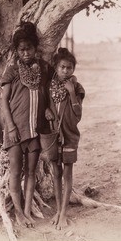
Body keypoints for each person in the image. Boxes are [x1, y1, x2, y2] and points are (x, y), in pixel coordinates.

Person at [1, 21, 53, 227]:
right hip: (16, 130)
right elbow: (4, 100)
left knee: (31, 172)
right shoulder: (12, 71)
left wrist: (48, 107)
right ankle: (18, 214)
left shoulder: (43, 69)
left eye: (29, 48)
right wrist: (11, 127)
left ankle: (27, 209)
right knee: (16, 171)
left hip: (35, 130)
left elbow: (47, 92)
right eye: (21, 49)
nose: (25, 53)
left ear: (35, 48)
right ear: (16, 50)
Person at [45, 47, 85, 230]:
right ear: (56, 67)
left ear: (73, 69)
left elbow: (78, 115)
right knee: (56, 173)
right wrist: (46, 110)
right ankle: (58, 209)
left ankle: (63, 213)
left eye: (69, 68)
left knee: (67, 174)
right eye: (62, 67)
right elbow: (45, 107)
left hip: (69, 136)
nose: (66, 71)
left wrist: (71, 93)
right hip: (54, 135)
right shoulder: (49, 86)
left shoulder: (77, 87)